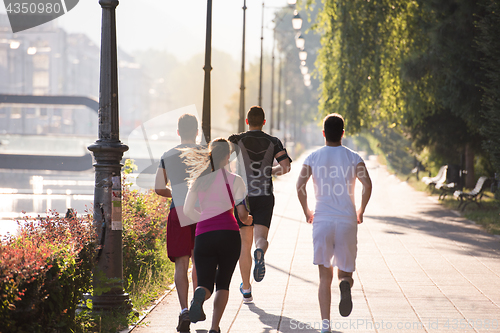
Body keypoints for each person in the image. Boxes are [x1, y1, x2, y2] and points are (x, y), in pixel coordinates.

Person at [296, 113, 372, 332]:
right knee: (345, 272)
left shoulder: (313, 157)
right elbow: (368, 185)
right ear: (343, 133)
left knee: (324, 276)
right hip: (347, 220)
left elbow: (300, 187)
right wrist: (360, 211)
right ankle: (345, 284)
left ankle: (325, 326)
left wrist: (307, 211)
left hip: (322, 220)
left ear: (323, 133)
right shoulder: (353, 157)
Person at [182, 138, 253, 333]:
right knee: (223, 282)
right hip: (229, 234)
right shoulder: (235, 180)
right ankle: (214, 327)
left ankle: (199, 294)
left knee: (205, 282)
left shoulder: (199, 180)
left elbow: (187, 211)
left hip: (204, 235)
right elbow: (241, 214)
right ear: (228, 156)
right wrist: (247, 220)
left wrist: (204, 219)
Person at [228, 106, 292, 303]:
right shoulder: (273, 141)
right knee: (260, 238)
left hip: (242, 197)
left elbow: (222, 162)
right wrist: (271, 172)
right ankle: (260, 252)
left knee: (244, 244)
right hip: (264, 195)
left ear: (247, 121)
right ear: (264, 122)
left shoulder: (235, 140)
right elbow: (286, 167)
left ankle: (246, 289)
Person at [154, 114, 200, 333]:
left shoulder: (168, 155)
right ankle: (196, 302)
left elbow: (158, 187)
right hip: (201, 212)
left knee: (181, 262)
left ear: (178, 131)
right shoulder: (205, 154)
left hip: (178, 210)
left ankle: (184, 310)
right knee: (198, 260)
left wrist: (175, 193)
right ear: (197, 131)